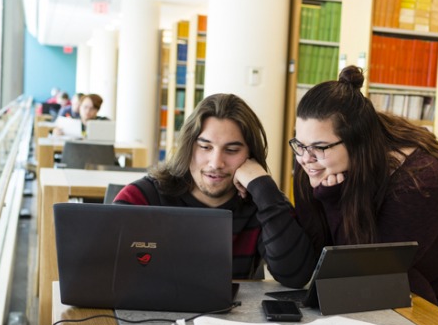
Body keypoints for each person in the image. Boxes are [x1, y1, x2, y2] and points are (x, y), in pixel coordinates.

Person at [291, 65, 438, 325]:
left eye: (319, 148)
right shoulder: (316, 158)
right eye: (299, 144)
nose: (305, 158)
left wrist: (332, 199)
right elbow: (316, 249)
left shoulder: (420, 182)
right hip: (405, 262)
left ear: (357, 141)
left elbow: (366, 270)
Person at [114, 93, 315, 283]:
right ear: (188, 147)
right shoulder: (143, 197)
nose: (216, 163)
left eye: (232, 150)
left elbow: (296, 275)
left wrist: (262, 185)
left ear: (250, 155)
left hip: (227, 318)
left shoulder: (263, 202)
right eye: (205, 147)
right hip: (149, 315)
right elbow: (102, 265)